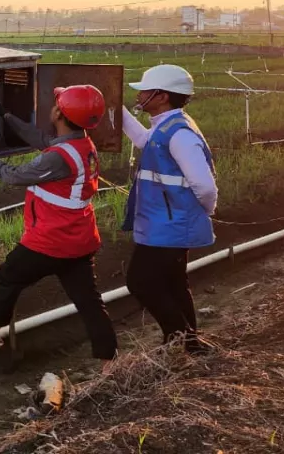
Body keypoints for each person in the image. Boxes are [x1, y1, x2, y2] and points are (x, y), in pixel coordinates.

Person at [0, 85, 118, 365]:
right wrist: (6, 115)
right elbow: (42, 139)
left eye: (57, 103)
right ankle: (110, 364)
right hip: (80, 239)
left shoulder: (57, 157)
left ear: (59, 114)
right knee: (90, 303)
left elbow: (15, 176)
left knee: (8, 276)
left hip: (52, 241)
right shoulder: (81, 145)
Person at [121, 64, 217, 354]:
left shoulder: (180, 135)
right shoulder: (166, 126)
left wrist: (204, 212)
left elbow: (206, 186)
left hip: (171, 224)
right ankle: (190, 344)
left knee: (141, 282)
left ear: (161, 96)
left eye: (145, 91)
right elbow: (142, 140)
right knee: (174, 283)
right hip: (165, 222)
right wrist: (115, 109)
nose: (140, 95)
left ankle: (179, 339)